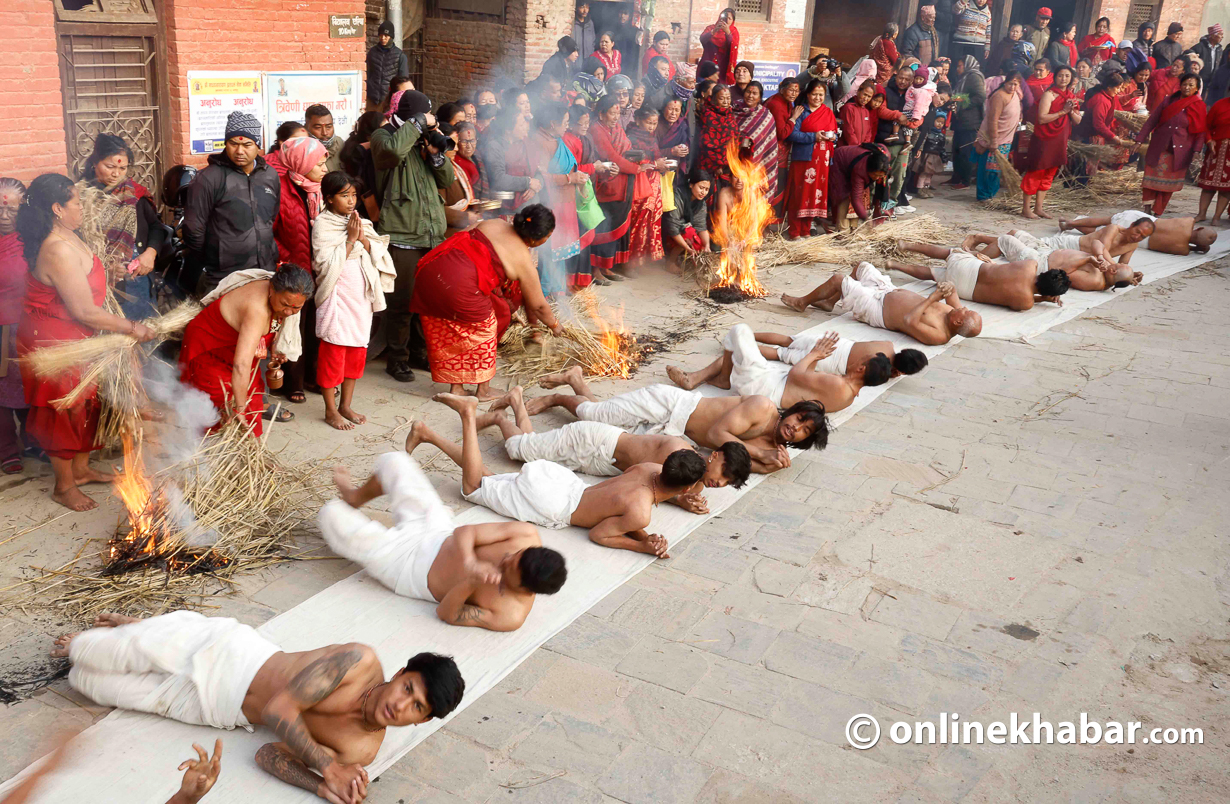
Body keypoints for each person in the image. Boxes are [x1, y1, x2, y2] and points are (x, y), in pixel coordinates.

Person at [52, 610, 463, 802]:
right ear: (401, 672)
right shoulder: (357, 662)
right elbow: (279, 711)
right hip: (230, 653)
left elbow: (268, 753)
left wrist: (322, 784)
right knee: (84, 652)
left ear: (421, 720)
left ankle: (147, 630)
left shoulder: (361, 750)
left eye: (417, 707)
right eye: (408, 688)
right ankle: (141, 628)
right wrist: (328, 765)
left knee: (85, 682)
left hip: (219, 709)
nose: (401, 704)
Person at [416, 393, 709, 558]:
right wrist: (641, 545)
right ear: (683, 490)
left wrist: (645, 537)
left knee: (486, 478)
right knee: (472, 486)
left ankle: (426, 434)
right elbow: (600, 534)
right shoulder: (640, 512)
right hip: (554, 504)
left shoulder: (649, 469)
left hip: (565, 483)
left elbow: (623, 511)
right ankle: (468, 415)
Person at [15, 175, 156, 510]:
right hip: (54, 341)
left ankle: (79, 471)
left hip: (77, 337)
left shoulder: (69, 236)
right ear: (57, 209)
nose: (81, 207)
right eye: (76, 202)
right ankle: (64, 486)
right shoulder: (56, 248)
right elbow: (83, 310)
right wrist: (131, 327)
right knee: (66, 409)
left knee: (87, 405)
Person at [321, 450, 566, 630]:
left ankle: (348, 513)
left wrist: (471, 581)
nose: (507, 559)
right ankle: (355, 498)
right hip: (436, 530)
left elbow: (447, 613)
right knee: (395, 461)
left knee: (330, 513)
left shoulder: (509, 615)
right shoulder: (526, 536)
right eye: (514, 555)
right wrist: (470, 561)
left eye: (510, 567)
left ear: (524, 587)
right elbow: (464, 532)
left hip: (405, 568)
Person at [483, 388, 751, 509]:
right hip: (594, 442)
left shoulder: (700, 480)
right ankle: (502, 416)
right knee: (517, 450)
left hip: (600, 463)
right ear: (714, 455)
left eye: (728, 481)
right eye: (724, 472)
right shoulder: (679, 454)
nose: (721, 481)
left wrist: (686, 500)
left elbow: (675, 491)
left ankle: (516, 402)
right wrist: (682, 500)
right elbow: (649, 485)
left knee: (532, 452)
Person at [527, 367, 827, 474]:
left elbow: (742, 465)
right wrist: (761, 454)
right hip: (669, 405)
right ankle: (558, 398)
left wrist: (774, 465)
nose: (796, 428)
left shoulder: (773, 444)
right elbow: (718, 431)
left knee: (604, 426)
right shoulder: (762, 408)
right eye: (799, 418)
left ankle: (576, 380)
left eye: (804, 431)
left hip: (673, 432)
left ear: (805, 441)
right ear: (790, 410)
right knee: (594, 415)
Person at [411, 208, 562, 400]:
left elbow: (462, 238)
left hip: (431, 273)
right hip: (458, 285)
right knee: (486, 329)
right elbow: (538, 305)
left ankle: (456, 389)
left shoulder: (495, 223)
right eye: (548, 236)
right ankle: (483, 390)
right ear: (536, 239)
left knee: (452, 328)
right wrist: (555, 326)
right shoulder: (523, 258)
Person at [371, 90, 456, 383]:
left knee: (427, 301)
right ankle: (397, 359)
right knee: (403, 303)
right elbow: (392, 153)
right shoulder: (384, 137)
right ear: (413, 116)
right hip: (402, 233)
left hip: (432, 234)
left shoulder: (420, 138)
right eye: (425, 115)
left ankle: (421, 352)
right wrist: (418, 125)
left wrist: (436, 155)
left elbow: (447, 180)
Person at [180, 262, 312, 437]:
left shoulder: (279, 298)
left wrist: (274, 347)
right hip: (209, 351)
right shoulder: (257, 309)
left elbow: (274, 324)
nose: (289, 312)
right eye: (285, 304)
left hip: (236, 353)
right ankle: (205, 459)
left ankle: (252, 456)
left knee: (253, 402)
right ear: (271, 289)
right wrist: (239, 408)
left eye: (297, 307)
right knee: (219, 410)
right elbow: (241, 365)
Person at [311, 172, 395, 431]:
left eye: (353, 195)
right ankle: (330, 409)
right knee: (333, 353)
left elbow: (378, 248)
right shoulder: (323, 225)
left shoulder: (358, 220)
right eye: (343, 196)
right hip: (337, 298)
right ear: (329, 198)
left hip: (360, 299)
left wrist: (361, 239)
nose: (351, 201)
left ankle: (346, 404)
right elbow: (323, 265)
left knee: (356, 352)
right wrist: (349, 239)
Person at [667, 324, 891, 413]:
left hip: (764, 387)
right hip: (775, 386)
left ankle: (724, 379)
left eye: (862, 359)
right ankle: (716, 376)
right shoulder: (849, 395)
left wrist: (815, 354)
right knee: (746, 350)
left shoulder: (839, 384)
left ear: (861, 369)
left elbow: (796, 376)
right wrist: (816, 354)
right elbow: (807, 383)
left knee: (740, 331)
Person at [184, 111, 279, 298]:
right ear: (226, 144)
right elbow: (193, 229)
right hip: (223, 276)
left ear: (258, 145)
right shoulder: (209, 178)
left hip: (265, 271)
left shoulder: (270, 175)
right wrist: (217, 256)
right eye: (233, 144)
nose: (240, 151)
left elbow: (270, 217)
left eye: (247, 144)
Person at [75, 134, 167, 321]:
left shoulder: (135, 195)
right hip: (92, 281)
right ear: (95, 163)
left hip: (133, 279)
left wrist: (150, 253)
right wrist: (104, 267)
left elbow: (157, 227)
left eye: (122, 168)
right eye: (110, 167)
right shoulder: (78, 197)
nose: (116, 174)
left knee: (142, 336)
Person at [781, 261, 982, 345]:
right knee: (862, 266)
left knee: (838, 279)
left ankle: (802, 302)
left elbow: (909, 320)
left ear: (957, 323)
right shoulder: (954, 313)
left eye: (964, 311)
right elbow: (952, 291)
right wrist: (948, 288)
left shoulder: (939, 335)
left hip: (878, 310)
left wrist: (932, 298)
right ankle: (830, 301)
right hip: (887, 291)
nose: (962, 307)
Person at [270, 136, 327, 405]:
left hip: (320, 270)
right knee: (294, 327)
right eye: (320, 164)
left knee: (317, 327)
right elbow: (268, 232)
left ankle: (314, 376)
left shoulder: (320, 190)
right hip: (294, 272)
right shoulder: (280, 190)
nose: (325, 169)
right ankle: (292, 383)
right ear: (303, 164)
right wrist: (288, 258)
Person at [526, 102, 592, 295]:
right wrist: (570, 178)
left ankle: (559, 290)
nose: (567, 125)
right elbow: (541, 177)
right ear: (553, 123)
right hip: (552, 203)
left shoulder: (556, 139)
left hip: (566, 201)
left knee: (561, 250)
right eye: (565, 122)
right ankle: (545, 294)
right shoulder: (539, 141)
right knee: (550, 251)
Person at [889, 240, 1070, 310]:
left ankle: (907, 245)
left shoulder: (1030, 265)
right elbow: (1023, 299)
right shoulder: (1027, 302)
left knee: (946, 253)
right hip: (966, 290)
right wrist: (1044, 299)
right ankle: (896, 265)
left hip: (973, 269)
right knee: (931, 274)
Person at [590, 94, 645, 281]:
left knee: (615, 226)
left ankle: (606, 268)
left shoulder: (616, 128)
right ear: (601, 114)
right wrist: (636, 168)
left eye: (618, 113)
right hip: (605, 185)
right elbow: (612, 156)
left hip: (622, 183)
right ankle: (595, 271)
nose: (616, 117)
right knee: (603, 228)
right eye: (612, 113)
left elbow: (626, 148)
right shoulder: (597, 130)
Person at [1136, 72, 1208, 214]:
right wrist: (1139, 140)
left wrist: (1196, 151)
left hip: (1180, 150)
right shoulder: (1168, 100)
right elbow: (1152, 121)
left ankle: (1158, 211)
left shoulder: (1199, 106)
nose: (1187, 87)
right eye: (1184, 84)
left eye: (1191, 85)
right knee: (1150, 179)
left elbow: (1200, 132)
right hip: (1159, 144)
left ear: (1197, 88)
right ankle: (1146, 208)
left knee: (1169, 183)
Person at [753, 330, 929, 381]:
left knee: (787, 340)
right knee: (779, 354)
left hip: (833, 343)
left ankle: (747, 334)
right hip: (830, 361)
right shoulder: (881, 371)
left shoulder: (887, 344)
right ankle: (743, 343)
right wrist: (892, 373)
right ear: (902, 371)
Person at [0, 178, 30, 476]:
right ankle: (7, 450)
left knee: (28, 387)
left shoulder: (31, 240)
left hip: (28, 327)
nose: (4, 217)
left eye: (12, 211)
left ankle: (31, 440)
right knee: (1, 394)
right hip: (0, 329)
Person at [1021, 65, 1078, 219]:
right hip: (1044, 139)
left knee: (1049, 173)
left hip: (1060, 139)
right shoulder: (1049, 95)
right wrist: (1063, 112)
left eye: (1067, 76)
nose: (1063, 79)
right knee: (1036, 171)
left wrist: (1071, 110)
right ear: (1055, 77)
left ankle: (1039, 208)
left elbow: (1078, 120)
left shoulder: (1070, 96)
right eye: (1060, 75)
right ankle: (1026, 208)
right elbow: (1042, 118)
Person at [784, 78, 838, 238]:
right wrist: (813, 137)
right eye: (814, 94)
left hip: (822, 162)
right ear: (808, 95)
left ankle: (806, 230)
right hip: (803, 161)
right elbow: (792, 134)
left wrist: (831, 137)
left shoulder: (827, 112)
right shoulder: (800, 111)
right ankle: (794, 231)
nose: (817, 98)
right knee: (799, 195)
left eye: (821, 95)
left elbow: (834, 133)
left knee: (815, 195)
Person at [624, 106, 669, 273]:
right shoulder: (630, 138)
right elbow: (632, 161)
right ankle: (629, 262)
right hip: (639, 183)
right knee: (637, 221)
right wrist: (655, 165)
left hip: (653, 183)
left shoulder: (652, 138)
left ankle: (641, 260)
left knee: (650, 221)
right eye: (649, 123)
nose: (652, 127)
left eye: (654, 123)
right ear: (637, 120)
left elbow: (654, 157)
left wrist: (661, 164)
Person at [973, 69, 1023, 201]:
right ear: (1005, 83)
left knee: (997, 170)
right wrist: (994, 140)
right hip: (994, 139)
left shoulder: (1015, 95)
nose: (1012, 87)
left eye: (1016, 84)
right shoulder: (999, 96)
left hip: (1006, 139)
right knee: (989, 170)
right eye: (1010, 84)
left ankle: (991, 195)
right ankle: (984, 195)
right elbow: (993, 120)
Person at [877, 65, 921, 209]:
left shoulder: (914, 94)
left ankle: (891, 205)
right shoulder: (886, 91)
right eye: (900, 78)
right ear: (896, 76)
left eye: (907, 79)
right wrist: (897, 115)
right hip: (884, 138)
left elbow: (920, 116)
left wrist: (909, 122)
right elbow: (881, 111)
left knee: (899, 175)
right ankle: (878, 205)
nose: (902, 81)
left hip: (903, 142)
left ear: (911, 80)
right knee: (881, 174)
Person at [828, 142, 890, 231]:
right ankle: (842, 230)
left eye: (879, 176)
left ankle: (854, 226)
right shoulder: (860, 170)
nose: (877, 178)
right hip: (838, 163)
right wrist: (866, 219)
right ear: (869, 170)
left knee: (862, 194)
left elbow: (883, 183)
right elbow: (856, 198)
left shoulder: (884, 157)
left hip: (853, 162)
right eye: (875, 175)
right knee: (843, 194)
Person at [737, 81, 781, 204]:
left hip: (757, 165)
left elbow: (770, 145)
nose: (750, 96)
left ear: (760, 97)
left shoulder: (766, 116)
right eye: (748, 92)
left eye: (754, 93)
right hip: (735, 164)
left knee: (753, 202)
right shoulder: (734, 111)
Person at [339, 110, 385, 222]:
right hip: (364, 204)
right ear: (370, 135)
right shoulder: (360, 152)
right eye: (383, 128)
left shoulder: (356, 147)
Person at [947, 54, 985, 190]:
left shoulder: (974, 76)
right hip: (960, 120)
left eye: (960, 66)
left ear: (967, 65)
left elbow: (980, 96)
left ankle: (965, 180)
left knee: (965, 152)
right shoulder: (963, 78)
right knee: (956, 150)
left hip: (971, 121)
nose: (957, 69)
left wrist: (962, 103)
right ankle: (956, 177)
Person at [663, 169, 712, 268]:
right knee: (689, 234)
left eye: (706, 189)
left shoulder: (700, 203)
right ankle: (670, 262)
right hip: (668, 232)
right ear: (691, 185)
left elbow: (701, 227)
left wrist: (707, 245)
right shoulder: (678, 196)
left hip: (682, 231)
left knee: (700, 243)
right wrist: (687, 248)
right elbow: (672, 227)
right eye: (701, 188)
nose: (703, 192)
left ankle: (683, 261)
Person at [1196, 92, 1230, 222]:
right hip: (1215, 150)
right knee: (1207, 186)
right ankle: (1201, 214)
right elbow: (1206, 125)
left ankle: (1217, 217)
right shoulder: (1220, 104)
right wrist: (1209, 140)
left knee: (1227, 188)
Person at [366, 21, 408, 110]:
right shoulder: (372, 52)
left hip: (390, 99)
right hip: (372, 98)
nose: (383, 38)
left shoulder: (400, 56)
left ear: (391, 37)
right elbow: (367, 72)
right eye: (381, 35)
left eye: (386, 36)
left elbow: (403, 80)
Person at [699, 8, 740, 85]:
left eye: (729, 18)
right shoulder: (710, 28)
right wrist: (714, 31)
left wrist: (728, 33)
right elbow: (702, 40)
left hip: (722, 69)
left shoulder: (734, 32)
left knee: (720, 93)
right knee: (704, 91)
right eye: (725, 17)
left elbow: (733, 47)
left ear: (733, 21)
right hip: (707, 66)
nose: (727, 20)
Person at [304, 104, 344, 173]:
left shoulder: (340, 143)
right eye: (318, 127)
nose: (324, 133)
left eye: (328, 127)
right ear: (306, 127)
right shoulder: (301, 151)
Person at [1185, 24, 1224, 90]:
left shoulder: (1219, 49)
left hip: (1211, 81)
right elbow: (1188, 52)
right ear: (1213, 36)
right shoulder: (1200, 46)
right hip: (1200, 79)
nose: (1222, 37)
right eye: (1220, 34)